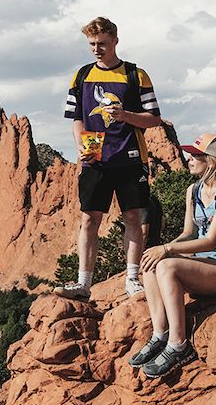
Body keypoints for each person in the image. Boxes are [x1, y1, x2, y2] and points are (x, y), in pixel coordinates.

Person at [60, 16, 173, 301]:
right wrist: (80, 145)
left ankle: (132, 279)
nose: (97, 49)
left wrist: (125, 115)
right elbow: (75, 117)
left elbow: (153, 118)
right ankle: (84, 284)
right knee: (89, 220)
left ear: (115, 41)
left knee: (133, 217)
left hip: (129, 156)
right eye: (92, 44)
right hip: (94, 158)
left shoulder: (136, 75)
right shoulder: (82, 75)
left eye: (102, 44)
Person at [126, 133, 216, 383]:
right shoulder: (192, 190)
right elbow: (189, 233)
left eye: (196, 155)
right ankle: (160, 335)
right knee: (152, 264)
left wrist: (167, 250)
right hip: (205, 266)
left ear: (212, 160)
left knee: (167, 266)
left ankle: (179, 344)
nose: (189, 159)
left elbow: (211, 241)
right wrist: (162, 248)